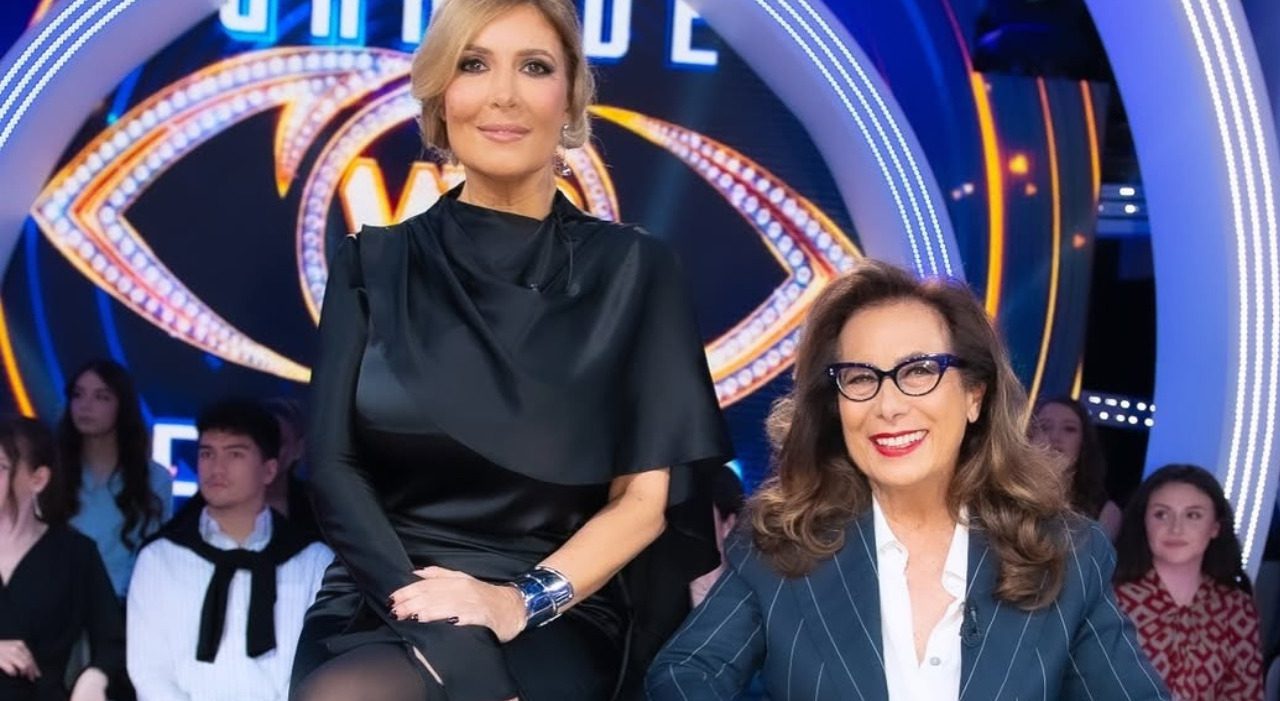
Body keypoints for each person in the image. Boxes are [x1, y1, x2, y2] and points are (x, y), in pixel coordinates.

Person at [289, 0, 731, 699]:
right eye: (474, 64)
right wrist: (444, 634)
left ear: (570, 98)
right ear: (441, 96)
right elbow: (334, 469)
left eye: (534, 67)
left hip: (556, 601)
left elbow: (643, 501)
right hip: (384, 592)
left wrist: (516, 601)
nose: (504, 94)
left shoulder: (634, 271)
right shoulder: (370, 264)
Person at [647, 260, 1167, 700]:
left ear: (974, 395)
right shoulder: (779, 545)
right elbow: (686, 674)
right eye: (860, 378)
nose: (888, 405)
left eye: (919, 371)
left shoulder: (1065, 554)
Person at [126, 399, 332, 700]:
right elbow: (149, 671)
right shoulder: (159, 558)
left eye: (235, 454)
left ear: (269, 469)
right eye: (207, 453)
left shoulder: (313, 560)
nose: (216, 468)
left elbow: (318, 665)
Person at [0, 415, 124, 701]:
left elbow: (112, 640)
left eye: (1, 467)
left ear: (38, 479)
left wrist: (96, 676)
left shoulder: (75, 554)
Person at [1114, 464, 1264, 700]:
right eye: (1161, 514)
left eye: (1193, 515)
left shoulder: (1236, 608)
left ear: (1215, 527)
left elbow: (1246, 693)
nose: (1176, 528)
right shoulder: (1110, 601)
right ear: (1144, 522)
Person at [58, 359, 173, 599]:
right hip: (54, 607)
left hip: (126, 608)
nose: (85, 406)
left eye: (101, 397)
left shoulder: (155, 479)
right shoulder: (50, 473)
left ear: (123, 406)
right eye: (78, 395)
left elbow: (157, 557)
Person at [1029, 396, 1123, 538]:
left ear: (1083, 443)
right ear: (1029, 438)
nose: (1055, 437)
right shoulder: (1004, 494)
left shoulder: (1105, 512)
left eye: (1069, 429)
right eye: (1045, 427)